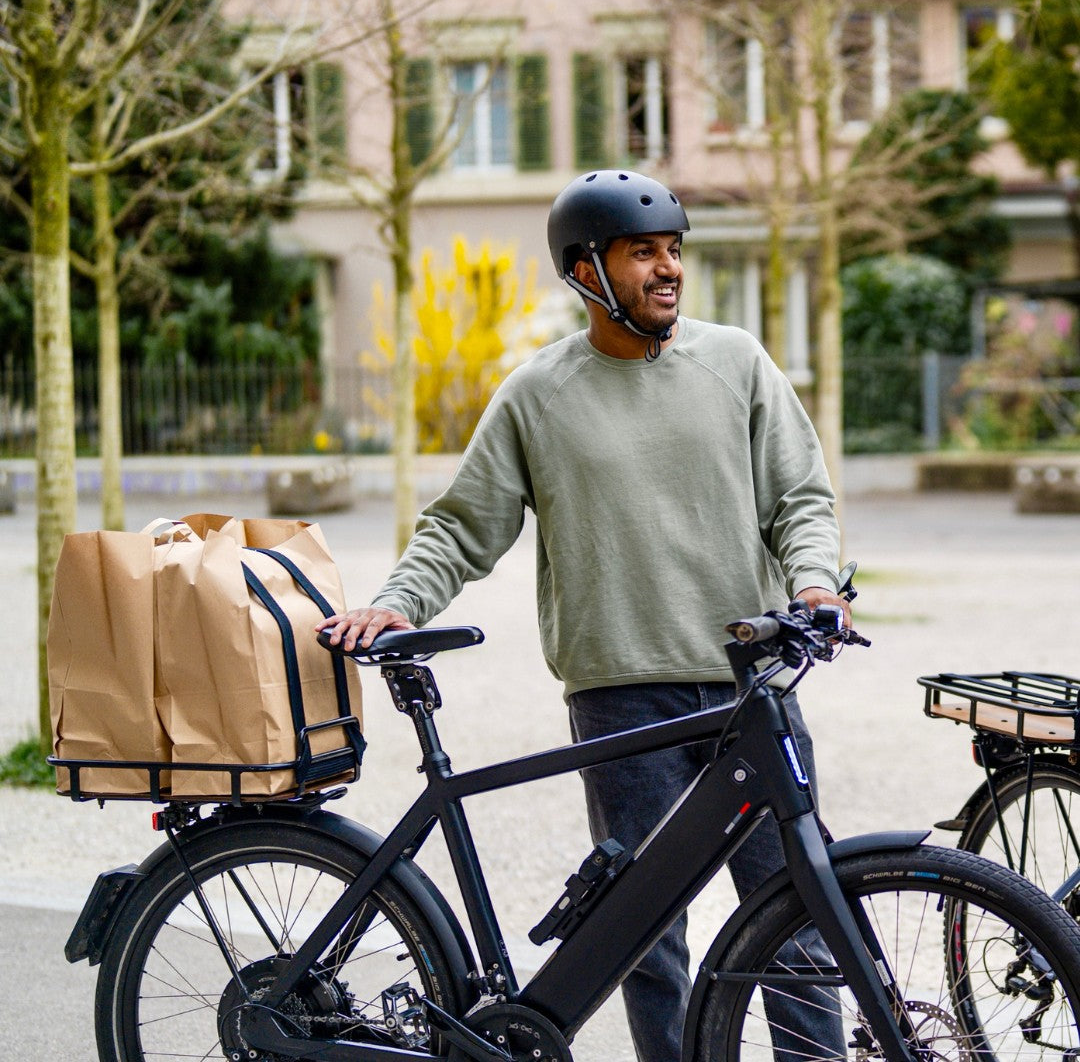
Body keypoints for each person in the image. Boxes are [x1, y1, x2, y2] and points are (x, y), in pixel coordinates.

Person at [318, 169, 848, 1062]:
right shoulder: (538, 395)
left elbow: (800, 499)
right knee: (645, 941)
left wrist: (814, 585)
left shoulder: (737, 365)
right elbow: (462, 524)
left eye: (674, 250)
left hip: (750, 683)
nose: (667, 268)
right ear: (587, 272)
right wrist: (396, 601)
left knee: (796, 916)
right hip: (621, 700)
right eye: (644, 253)